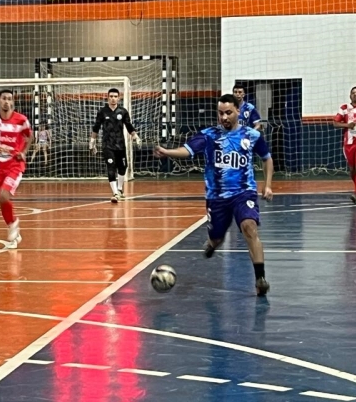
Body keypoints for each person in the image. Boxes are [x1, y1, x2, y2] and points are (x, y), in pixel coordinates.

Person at [154, 94, 274, 297]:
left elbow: (267, 158)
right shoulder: (208, 135)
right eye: (220, 113)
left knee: (249, 227)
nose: (224, 117)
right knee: (217, 237)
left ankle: (260, 278)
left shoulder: (251, 135)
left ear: (238, 111)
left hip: (243, 192)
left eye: (228, 113)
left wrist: (268, 185)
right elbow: (187, 150)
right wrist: (167, 152)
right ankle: (212, 243)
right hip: (216, 197)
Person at [0, 89, 31, 248]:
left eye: (10, 99)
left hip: (14, 164)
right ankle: (12, 226)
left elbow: (30, 136)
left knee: (4, 195)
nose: (7, 102)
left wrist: (23, 152)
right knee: (1, 200)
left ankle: (14, 223)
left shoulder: (21, 120)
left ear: (13, 101)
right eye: (4, 99)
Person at [90, 88, 141, 202]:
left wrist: (135, 136)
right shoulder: (102, 112)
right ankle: (115, 193)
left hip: (120, 145)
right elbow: (96, 128)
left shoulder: (122, 111)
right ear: (107, 97)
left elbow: (129, 126)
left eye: (115, 96)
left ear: (119, 98)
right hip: (107, 145)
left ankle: (120, 189)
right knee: (111, 167)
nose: (113, 98)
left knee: (123, 167)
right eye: (111, 96)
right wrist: (92, 142)